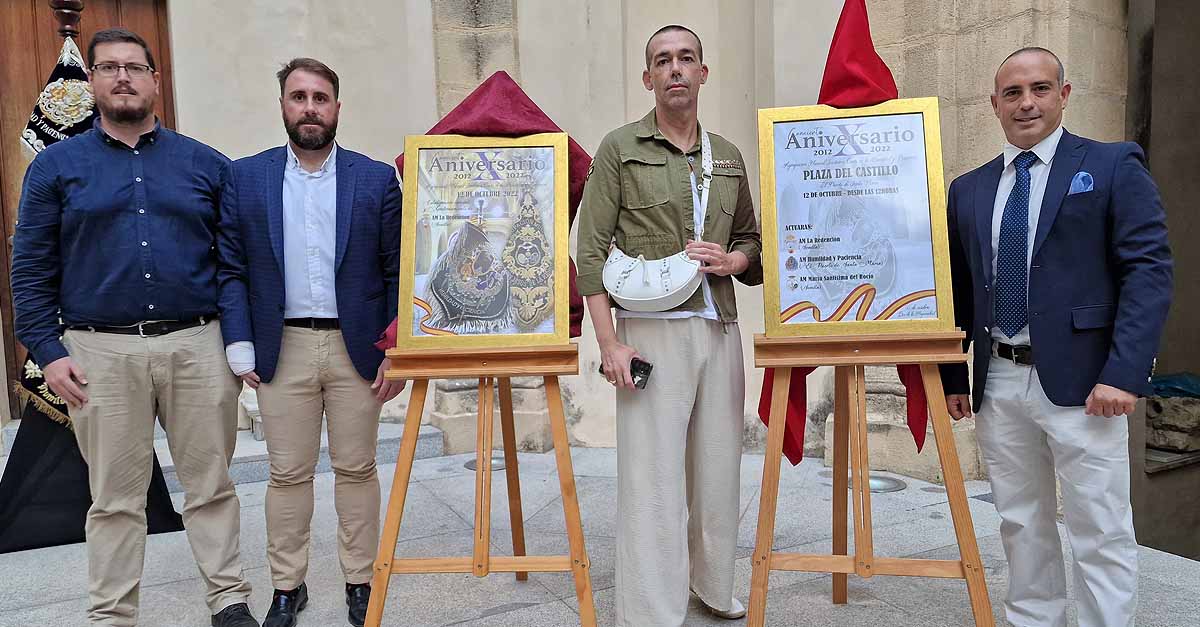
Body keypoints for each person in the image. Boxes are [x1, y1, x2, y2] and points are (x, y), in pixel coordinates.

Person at [10, 28, 258, 627]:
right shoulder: (55, 168)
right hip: (100, 352)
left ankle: (227, 598)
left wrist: (239, 341)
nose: (122, 77)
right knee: (115, 498)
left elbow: (235, 262)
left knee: (210, 483)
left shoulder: (206, 164)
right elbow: (30, 267)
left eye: (134, 67)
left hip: (198, 344)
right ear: (91, 81)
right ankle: (113, 613)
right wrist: (48, 350)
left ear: (155, 78)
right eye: (108, 68)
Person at [940, 47, 1173, 627]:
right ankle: (1033, 619)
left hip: (1087, 384)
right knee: (1021, 519)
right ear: (994, 105)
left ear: (1064, 95)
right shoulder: (968, 190)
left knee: (1100, 523)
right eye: (1013, 94)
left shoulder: (1114, 164)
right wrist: (953, 375)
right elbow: (960, 290)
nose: (1027, 103)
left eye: (1040, 89)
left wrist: (1124, 372)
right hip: (999, 380)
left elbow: (1148, 270)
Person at [575, 24, 763, 627]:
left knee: (718, 469)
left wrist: (734, 260)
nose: (675, 68)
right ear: (648, 77)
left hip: (719, 326)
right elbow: (592, 253)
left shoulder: (728, 156)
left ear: (703, 73)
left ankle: (711, 586)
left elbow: (753, 242)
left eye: (686, 59)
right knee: (653, 478)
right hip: (650, 332)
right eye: (663, 60)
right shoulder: (619, 148)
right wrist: (609, 344)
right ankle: (650, 610)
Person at [217, 57, 404, 627]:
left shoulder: (374, 179)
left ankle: (358, 581)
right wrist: (239, 343)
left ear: (337, 108)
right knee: (287, 474)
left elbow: (398, 268)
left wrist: (396, 347)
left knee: (356, 469)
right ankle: (286, 587)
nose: (310, 108)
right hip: (284, 345)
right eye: (298, 97)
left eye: (320, 98)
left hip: (358, 348)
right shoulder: (246, 178)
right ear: (283, 106)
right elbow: (230, 267)